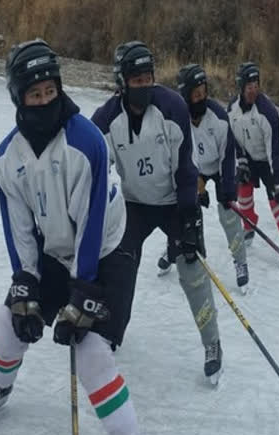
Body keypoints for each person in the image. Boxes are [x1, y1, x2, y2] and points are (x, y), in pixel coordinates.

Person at [0, 39, 163, 435]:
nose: (44, 100)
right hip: (56, 253)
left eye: (50, 91)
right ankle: (0, 384)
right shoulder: (7, 158)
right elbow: (18, 229)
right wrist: (25, 282)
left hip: (107, 253)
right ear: (18, 97)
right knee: (8, 320)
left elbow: (92, 223)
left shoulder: (85, 142)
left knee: (90, 351)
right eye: (34, 94)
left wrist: (82, 293)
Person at [90, 41, 224, 385]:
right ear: (122, 82)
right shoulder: (105, 120)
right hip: (133, 205)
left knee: (192, 270)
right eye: (136, 80)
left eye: (148, 77)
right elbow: (92, 170)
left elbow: (184, 166)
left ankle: (212, 343)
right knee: (119, 265)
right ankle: (110, 334)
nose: (144, 85)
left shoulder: (172, 106)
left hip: (173, 202)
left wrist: (190, 217)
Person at [156, 64, 249, 292]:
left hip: (219, 166)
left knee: (228, 213)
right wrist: (197, 185)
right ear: (185, 95)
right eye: (195, 94)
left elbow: (228, 156)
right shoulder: (178, 117)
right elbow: (179, 154)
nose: (201, 98)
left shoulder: (218, 117)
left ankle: (241, 261)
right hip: (194, 167)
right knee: (184, 208)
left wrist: (227, 190)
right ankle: (173, 248)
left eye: (204, 92)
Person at [227, 62, 279, 265]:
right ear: (241, 87)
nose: (253, 90)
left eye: (256, 85)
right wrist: (241, 161)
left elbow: (274, 149)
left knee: (276, 203)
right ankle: (249, 226)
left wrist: (277, 180)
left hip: (273, 159)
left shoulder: (267, 111)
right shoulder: (232, 110)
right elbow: (234, 139)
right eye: (249, 86)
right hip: (251, 158)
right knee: (243, 193)